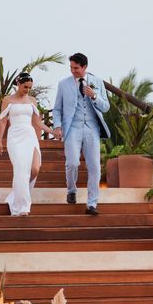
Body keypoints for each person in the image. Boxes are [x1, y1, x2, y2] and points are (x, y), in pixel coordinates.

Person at [52, 53, 110, 215]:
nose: (73, 71)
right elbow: (57, 109)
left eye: (76, 68)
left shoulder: (97, 82)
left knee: (95, 167)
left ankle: (92, 204)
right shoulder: (63, 84)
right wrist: (57, 126)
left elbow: (106, 107)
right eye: (71, 67)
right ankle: (71, 190)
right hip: (72, 128)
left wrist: (95, 96)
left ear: (84, 67)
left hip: (92, 128)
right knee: (72, 163)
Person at [0, 72, 54, 216]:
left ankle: (17, 195)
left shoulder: (32, 100)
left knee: (35, 169)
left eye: (29, 87)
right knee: (21, 170)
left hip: (29, 136)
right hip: (15, 137)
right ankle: (22, 207)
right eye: (25, 87)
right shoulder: (7, 100)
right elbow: (3, 121)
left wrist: (52, 131)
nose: (27, 90)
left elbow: (37, 122)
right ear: (18, 84)